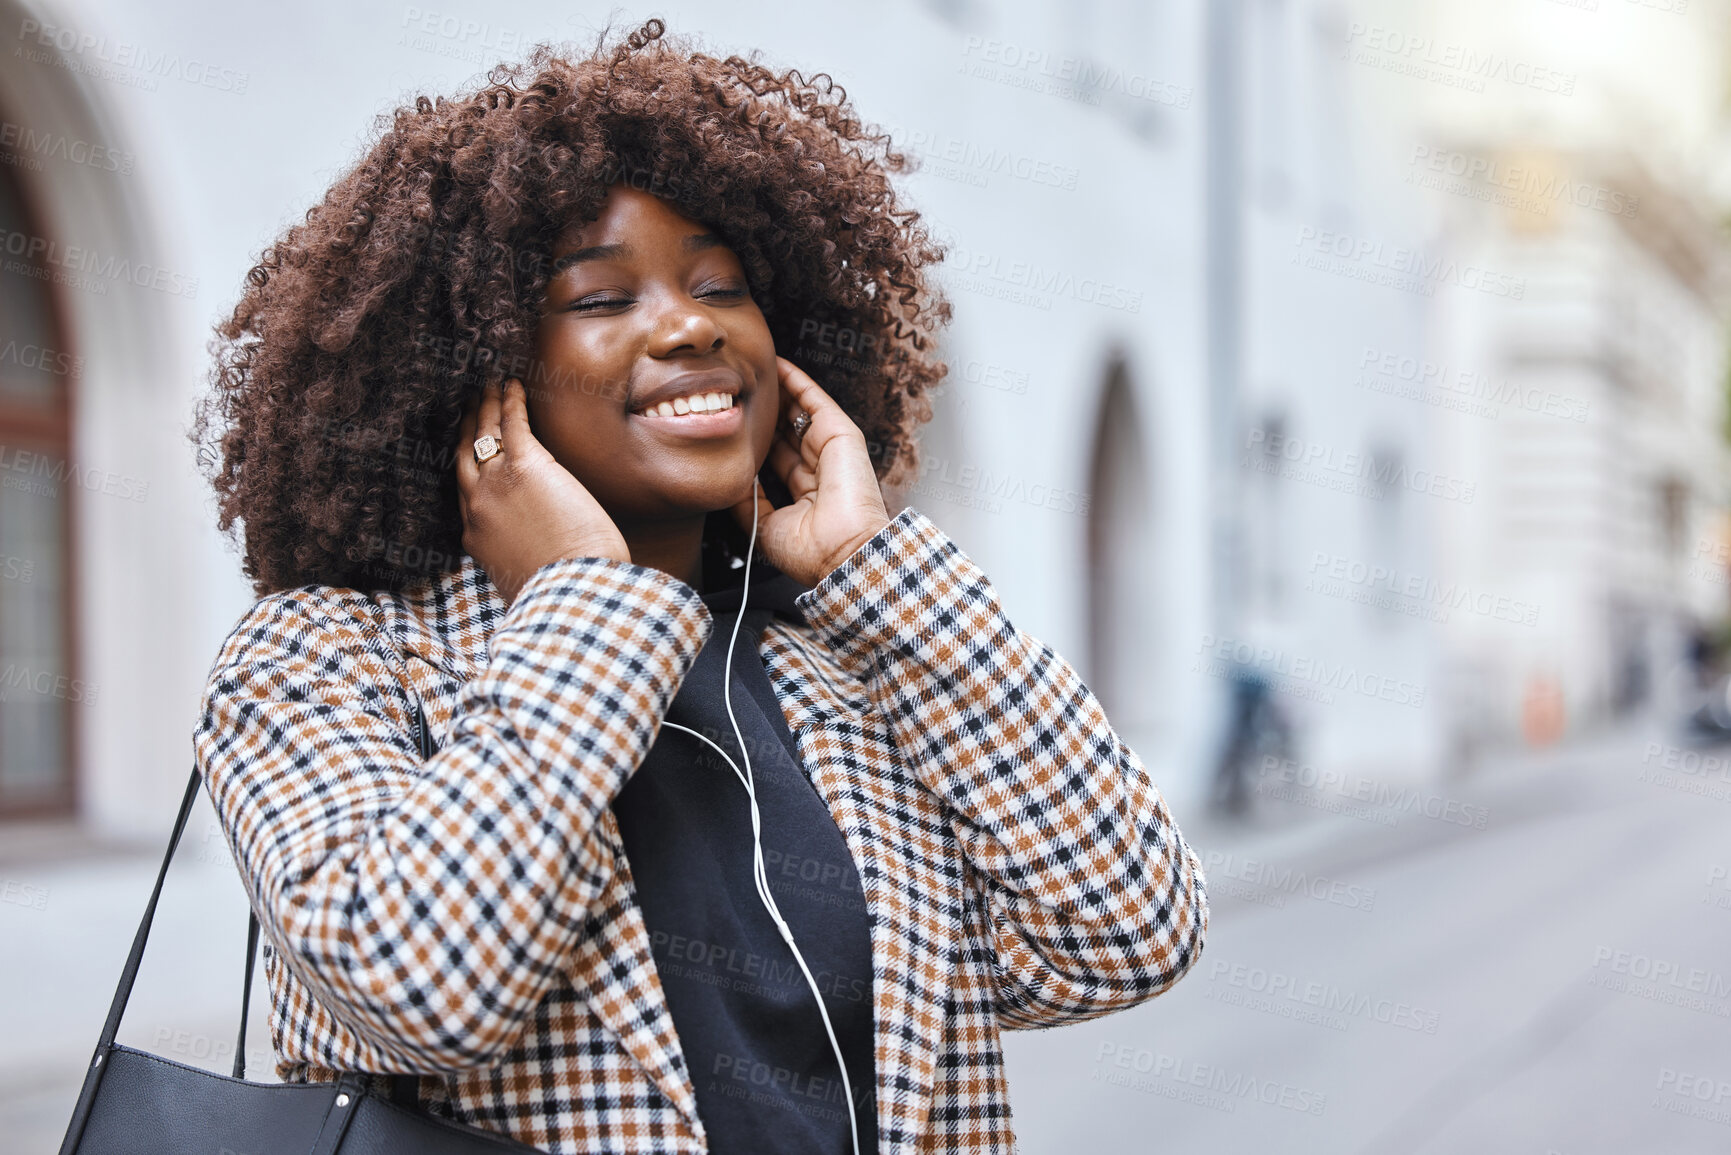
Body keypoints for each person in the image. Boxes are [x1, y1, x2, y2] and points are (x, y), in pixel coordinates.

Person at [189, 19, 1208, 1154]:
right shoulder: (322, 662)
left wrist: (879, 574)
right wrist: (583, 605)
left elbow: (1127, 929)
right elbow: (419, 983)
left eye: (721, 285)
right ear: (479, 377)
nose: (687, 325)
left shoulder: (843, 670)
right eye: (601, 299)